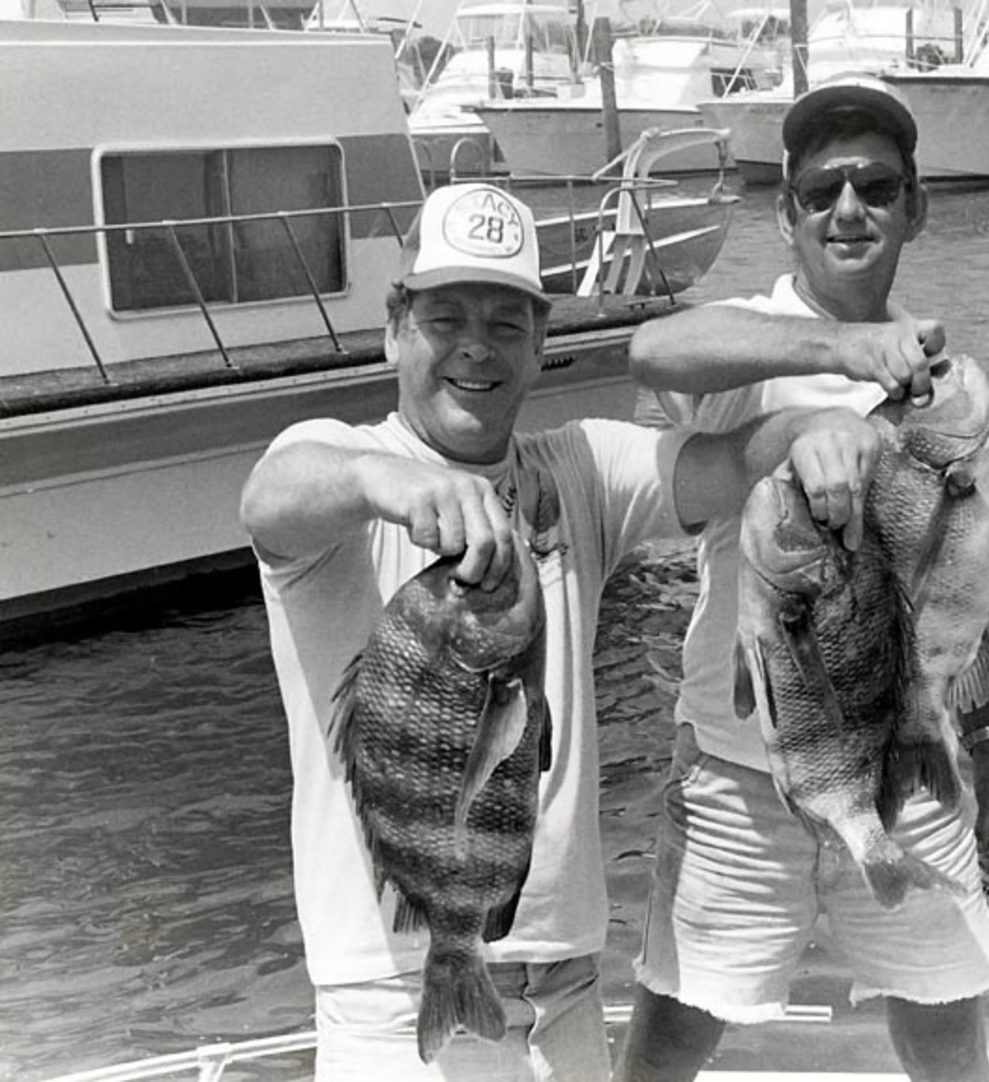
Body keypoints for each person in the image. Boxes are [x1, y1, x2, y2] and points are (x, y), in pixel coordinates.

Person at [239, 180, 905, 1081]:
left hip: (565, 989)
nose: (476, 347)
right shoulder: (339, 464)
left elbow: (723, 461)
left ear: (541, 343)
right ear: (395, 328)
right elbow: (272, 498)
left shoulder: (579, 466)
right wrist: (385, 486)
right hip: (393, 998)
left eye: (507, 324)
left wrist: (814, 426)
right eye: (446, 319)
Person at [614, 73, 989, 1082]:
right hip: (742, 762)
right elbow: (648, 349)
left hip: (908, 753)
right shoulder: (748, 345)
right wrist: (840, 347)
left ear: (915, 205)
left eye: (877, 186)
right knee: (674, 1028)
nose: (849, 208)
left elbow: (960, 605)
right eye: (822, 191)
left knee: (945, 1021)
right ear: (788, 211)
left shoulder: (945, 388)